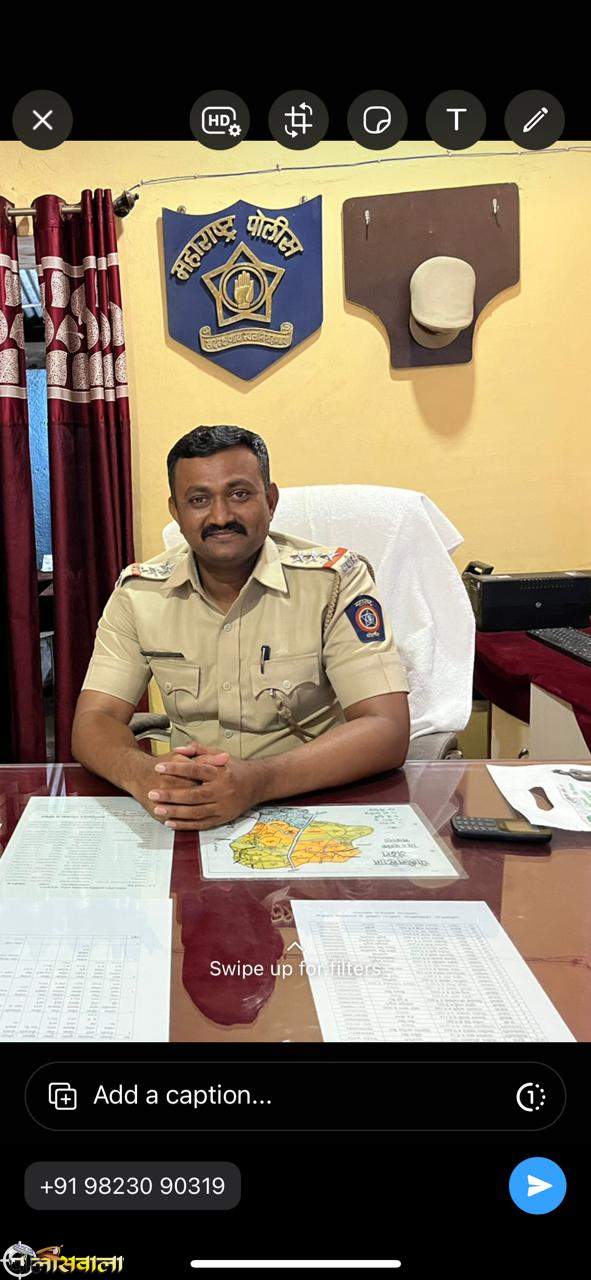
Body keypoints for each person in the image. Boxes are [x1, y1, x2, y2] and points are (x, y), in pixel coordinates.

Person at [72, 426, 410, 830]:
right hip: (188, 811)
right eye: (199, 500)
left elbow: (386, 727)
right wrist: (143, 774)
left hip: (309, 808)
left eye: (239, 494)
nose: (220, 517)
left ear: (270, 500)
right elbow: (93, 720)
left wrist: (256, 782)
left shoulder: (335, 582)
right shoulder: (139, 593)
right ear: (176, 512)